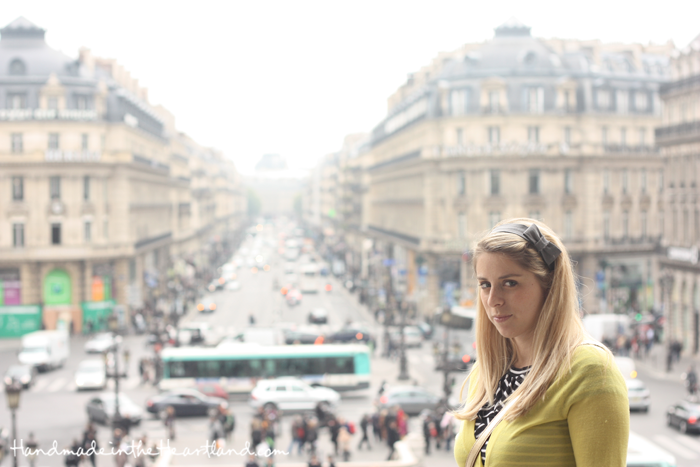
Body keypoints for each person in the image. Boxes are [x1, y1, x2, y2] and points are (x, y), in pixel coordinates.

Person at [454, 219, 629, 467]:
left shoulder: (590, 372)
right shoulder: (486, 371)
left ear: (549, 285)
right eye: (485, 284)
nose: (493, 299)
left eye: (510, 283)